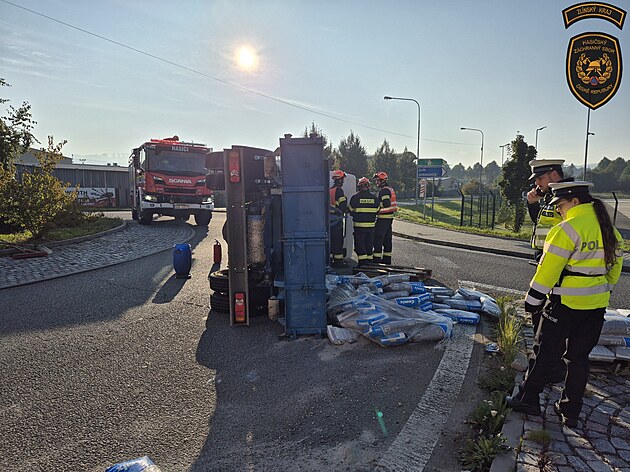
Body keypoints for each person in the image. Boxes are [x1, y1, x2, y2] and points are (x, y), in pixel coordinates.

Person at [507, 181, 624, 428]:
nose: (558, 210)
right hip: (595, 306)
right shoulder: (610, 230)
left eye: (560, 205)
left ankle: (529, 400)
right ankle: (571, 412)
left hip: (564, 305)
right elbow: (614, 271)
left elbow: (547, 271)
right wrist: (600, 289)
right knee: (579, 359)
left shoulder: (567, 229)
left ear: (575, 201)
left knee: (544, 354)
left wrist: (532, 301)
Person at [526, 159, 574, 382]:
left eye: (540, 178)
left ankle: (551, 369)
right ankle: (542, 364)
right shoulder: (549, 197)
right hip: (545, 261)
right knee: (541, 316)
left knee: (551, 319)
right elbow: (542, 225)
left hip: (558, 265)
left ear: (554, 175)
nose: (537, 183)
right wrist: (532, 204)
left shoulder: (568, 197)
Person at [348, 177, 380, 266]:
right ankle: (369, 262)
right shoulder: (374, 198)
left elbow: (350, 210)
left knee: (360, 244)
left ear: (359, 186)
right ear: (368, 186)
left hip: (359, 227)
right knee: (369, 244)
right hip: (371, 227)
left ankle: (362, 263)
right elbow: (378, 210)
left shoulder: (355, 197)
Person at [372, 171, 398, 265]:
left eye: (378, 180)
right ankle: (387, 260)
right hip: (388, 218)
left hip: (383, 218)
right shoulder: (389, 189)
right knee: (387, 240)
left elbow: (386, 203)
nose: (376, 182)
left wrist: (376, 206)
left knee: (378, 239)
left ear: (383, 180)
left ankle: (376, 260)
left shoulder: (384, 190)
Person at [329, 170, 348, 268]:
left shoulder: (330, 190)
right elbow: (343, 206)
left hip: (329, 220)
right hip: (337, 220)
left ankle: (330, 261)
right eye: (342, 179)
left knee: (331, 241)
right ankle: (338, 262)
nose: (343, 181)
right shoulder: (339, 190)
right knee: (338, 241)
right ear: (339, 179)